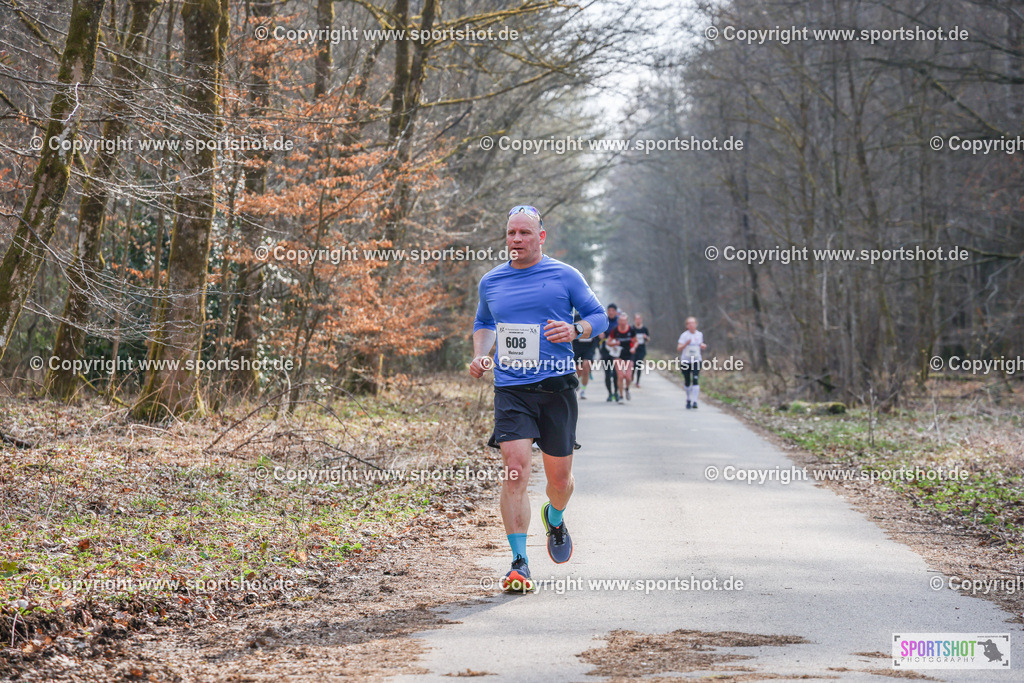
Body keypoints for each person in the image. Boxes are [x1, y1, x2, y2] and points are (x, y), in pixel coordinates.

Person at [469, 204, 608, 592]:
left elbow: (600, 317)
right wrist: (482, 353)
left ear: (540, 237)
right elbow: (484, 323)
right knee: (515, 470)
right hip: (512, 389)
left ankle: (556, 516)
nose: (516, 239)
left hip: (557, 388)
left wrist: (576, 328)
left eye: (525, 233)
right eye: (511, 232)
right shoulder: (491, 281)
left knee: (559, 480)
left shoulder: (565, 275)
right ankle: (519, 563)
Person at [676, 316, 706, 409]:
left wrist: (702, 345)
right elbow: (679, 348)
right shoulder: (684, 335)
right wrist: (686, 344)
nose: (692, 325)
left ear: (696, 324)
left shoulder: (699, 334)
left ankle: (695, 401)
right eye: (689, 323)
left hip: (696, 360)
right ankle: (688, 399)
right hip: (686, 361)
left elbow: (700, 344)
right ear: (687, 325)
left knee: (696, 379)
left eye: (693, 323)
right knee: (687, 380)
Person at [606, 312, 637, 402]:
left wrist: (634, 348)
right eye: (621, 321)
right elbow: (608, 342)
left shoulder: (631, 330)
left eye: (624, 321)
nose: (623, 323)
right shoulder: (615, 330)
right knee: (620, 376)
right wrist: (615, 343)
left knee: (628, 376)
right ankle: (621, 396)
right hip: (618, 355)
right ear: (619, 321)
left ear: (627, 321)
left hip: (629, 354)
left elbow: (636, 341)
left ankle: (627, 389)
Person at [596, 304, 619, 402]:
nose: (611, 312)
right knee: (607, 373)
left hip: (616, 351)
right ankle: (610, 393)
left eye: (613, 310)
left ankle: (616, 393)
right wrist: (599, 334)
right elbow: (596, 333)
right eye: (609, 310)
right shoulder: (604, 321)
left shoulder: (619, 322)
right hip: (605, 350)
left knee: (616, 373)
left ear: (616, 311)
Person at [571, 312, 596, 399]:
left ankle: (583, 390)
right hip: (577, 348)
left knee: (586, 366)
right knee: (578, 370)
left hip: (589, 348)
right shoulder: (575, 318)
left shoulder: (592, 317)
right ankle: (578, 384)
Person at [632, 313, 649, 388]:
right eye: (637, 319)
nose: (638, 320)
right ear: (635, 320)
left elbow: (648, 339)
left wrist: (646, 337)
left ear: (641, 320)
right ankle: (631, 376)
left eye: (639, 319)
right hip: (634, 349)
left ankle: (637, 382)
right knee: (633, 365)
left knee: (639, 365)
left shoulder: (644, 329)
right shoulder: (632, 329)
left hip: (641, 349)